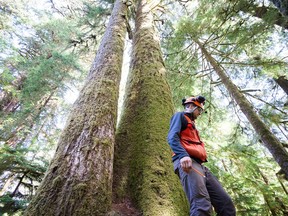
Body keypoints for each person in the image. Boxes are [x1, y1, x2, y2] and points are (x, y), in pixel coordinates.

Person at [167, 95, 236, 216]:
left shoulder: (193, 125)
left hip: (200, 166)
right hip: (188, 162)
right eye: (199, 110)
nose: (200, 113)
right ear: (191, 106)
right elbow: (172, 137)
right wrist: (183, 155)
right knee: (201, 205)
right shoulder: (180, 116)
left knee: (226, 205)